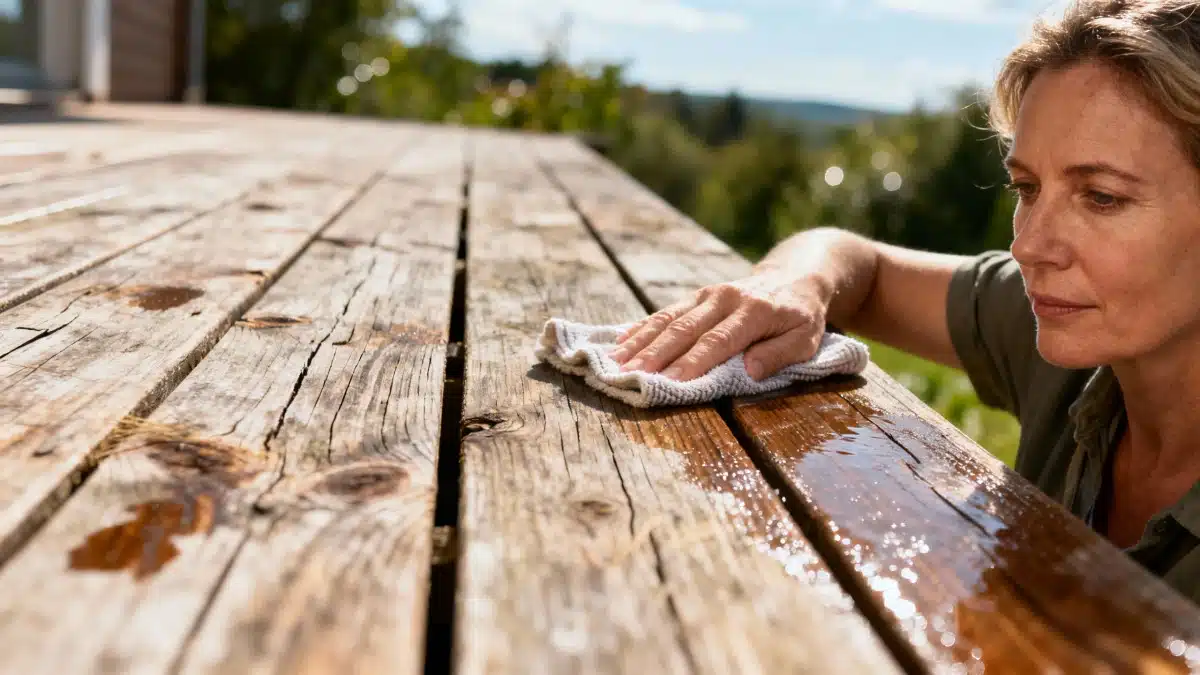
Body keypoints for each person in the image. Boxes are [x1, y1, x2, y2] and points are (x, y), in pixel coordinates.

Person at [609, 0, 1200, 604]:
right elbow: (854, 259)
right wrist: (793, 286)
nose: (1028, 246)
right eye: (1027, 187)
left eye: (1101, 198)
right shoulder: (1055, 328)